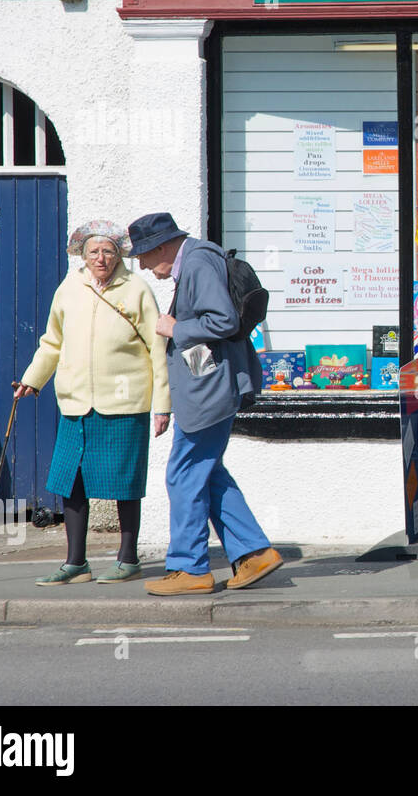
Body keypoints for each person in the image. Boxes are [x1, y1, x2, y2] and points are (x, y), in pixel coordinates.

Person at [127, 212, 282, 595]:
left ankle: (190, 568)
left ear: (162, 247)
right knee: (208, 475)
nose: (145, 267)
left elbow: (223, 321)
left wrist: (175, 328)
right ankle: (253, 555)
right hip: (207, 387)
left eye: (145, 257)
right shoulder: (195, 260)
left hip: (209, 391)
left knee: (183, 475)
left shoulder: (196, 262)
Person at [15, 221, 170, 586]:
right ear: (81, 255)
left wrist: (163, 404)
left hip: (125, 401)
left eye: (108, 251)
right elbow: (52, 342)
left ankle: (128, 559)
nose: (101, 258)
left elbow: (157, 350)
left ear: (119, 254)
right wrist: (32, 379)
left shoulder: (137, 289)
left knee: (126, 482)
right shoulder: (70, 289)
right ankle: (76, 562)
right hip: (77, 402)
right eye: (93, 252)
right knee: (71, 481)